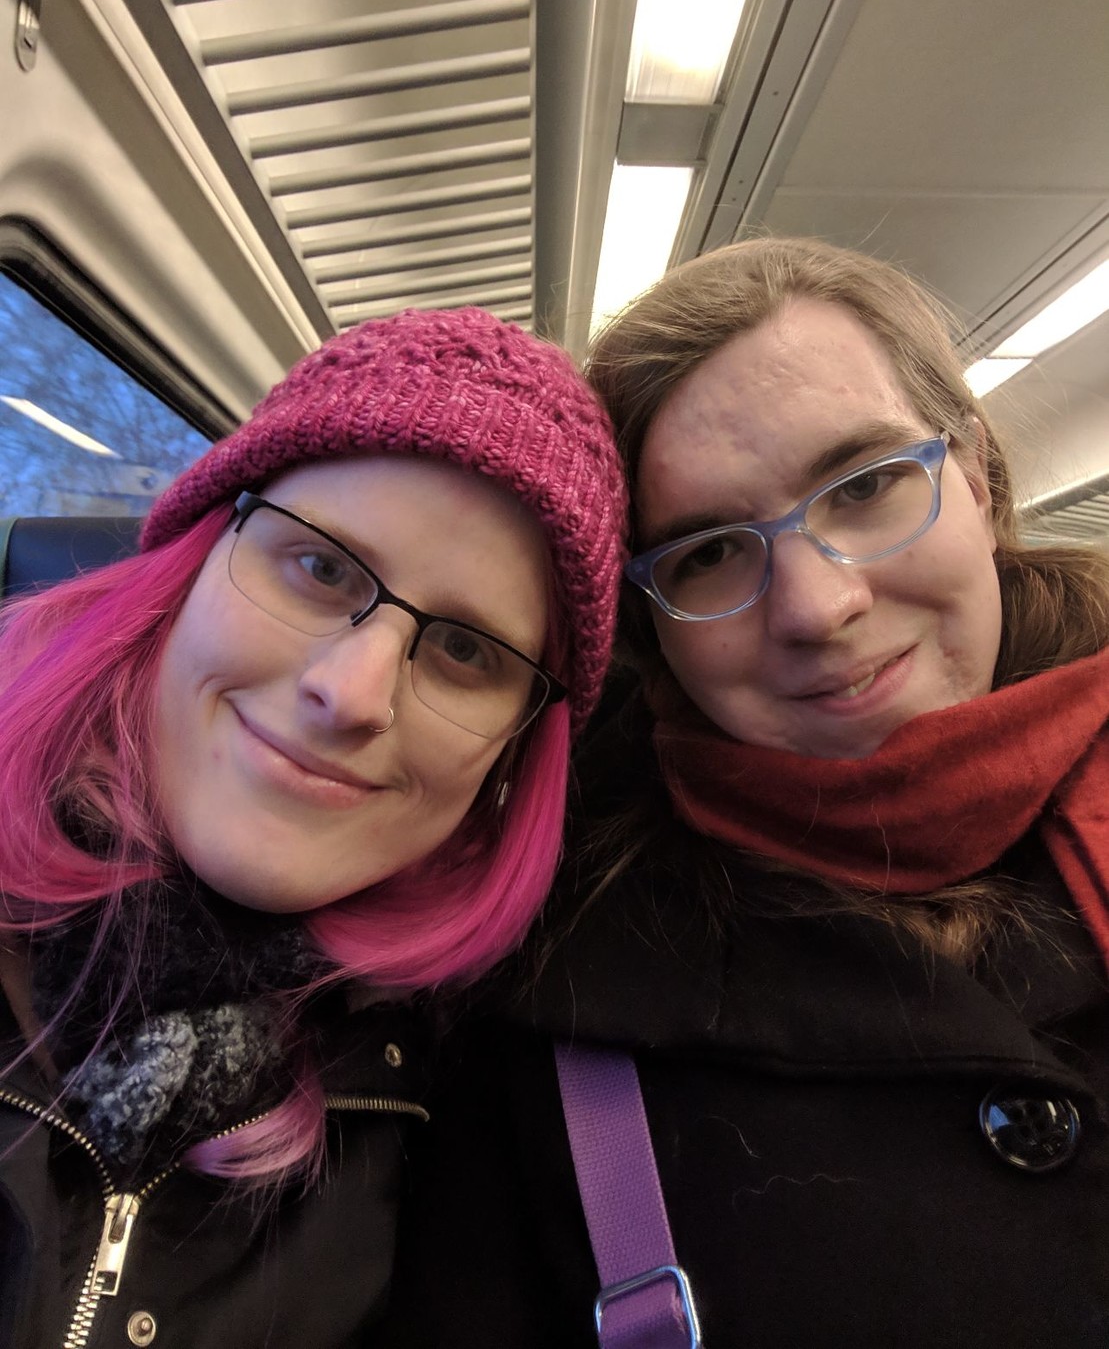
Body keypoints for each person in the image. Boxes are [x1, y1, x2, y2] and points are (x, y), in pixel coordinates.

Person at [379, 239, 1109, 1347]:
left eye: (863, 486)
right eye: (710, 555)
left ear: (975, 474)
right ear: (649, 631)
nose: (816, 605)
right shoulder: (546, 1008)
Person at [0, 306, 627, 1349]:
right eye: (321, 568)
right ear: (194, 556)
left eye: (467, 651)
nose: (351, 691)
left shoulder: (465, 1110)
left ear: (515, 754)